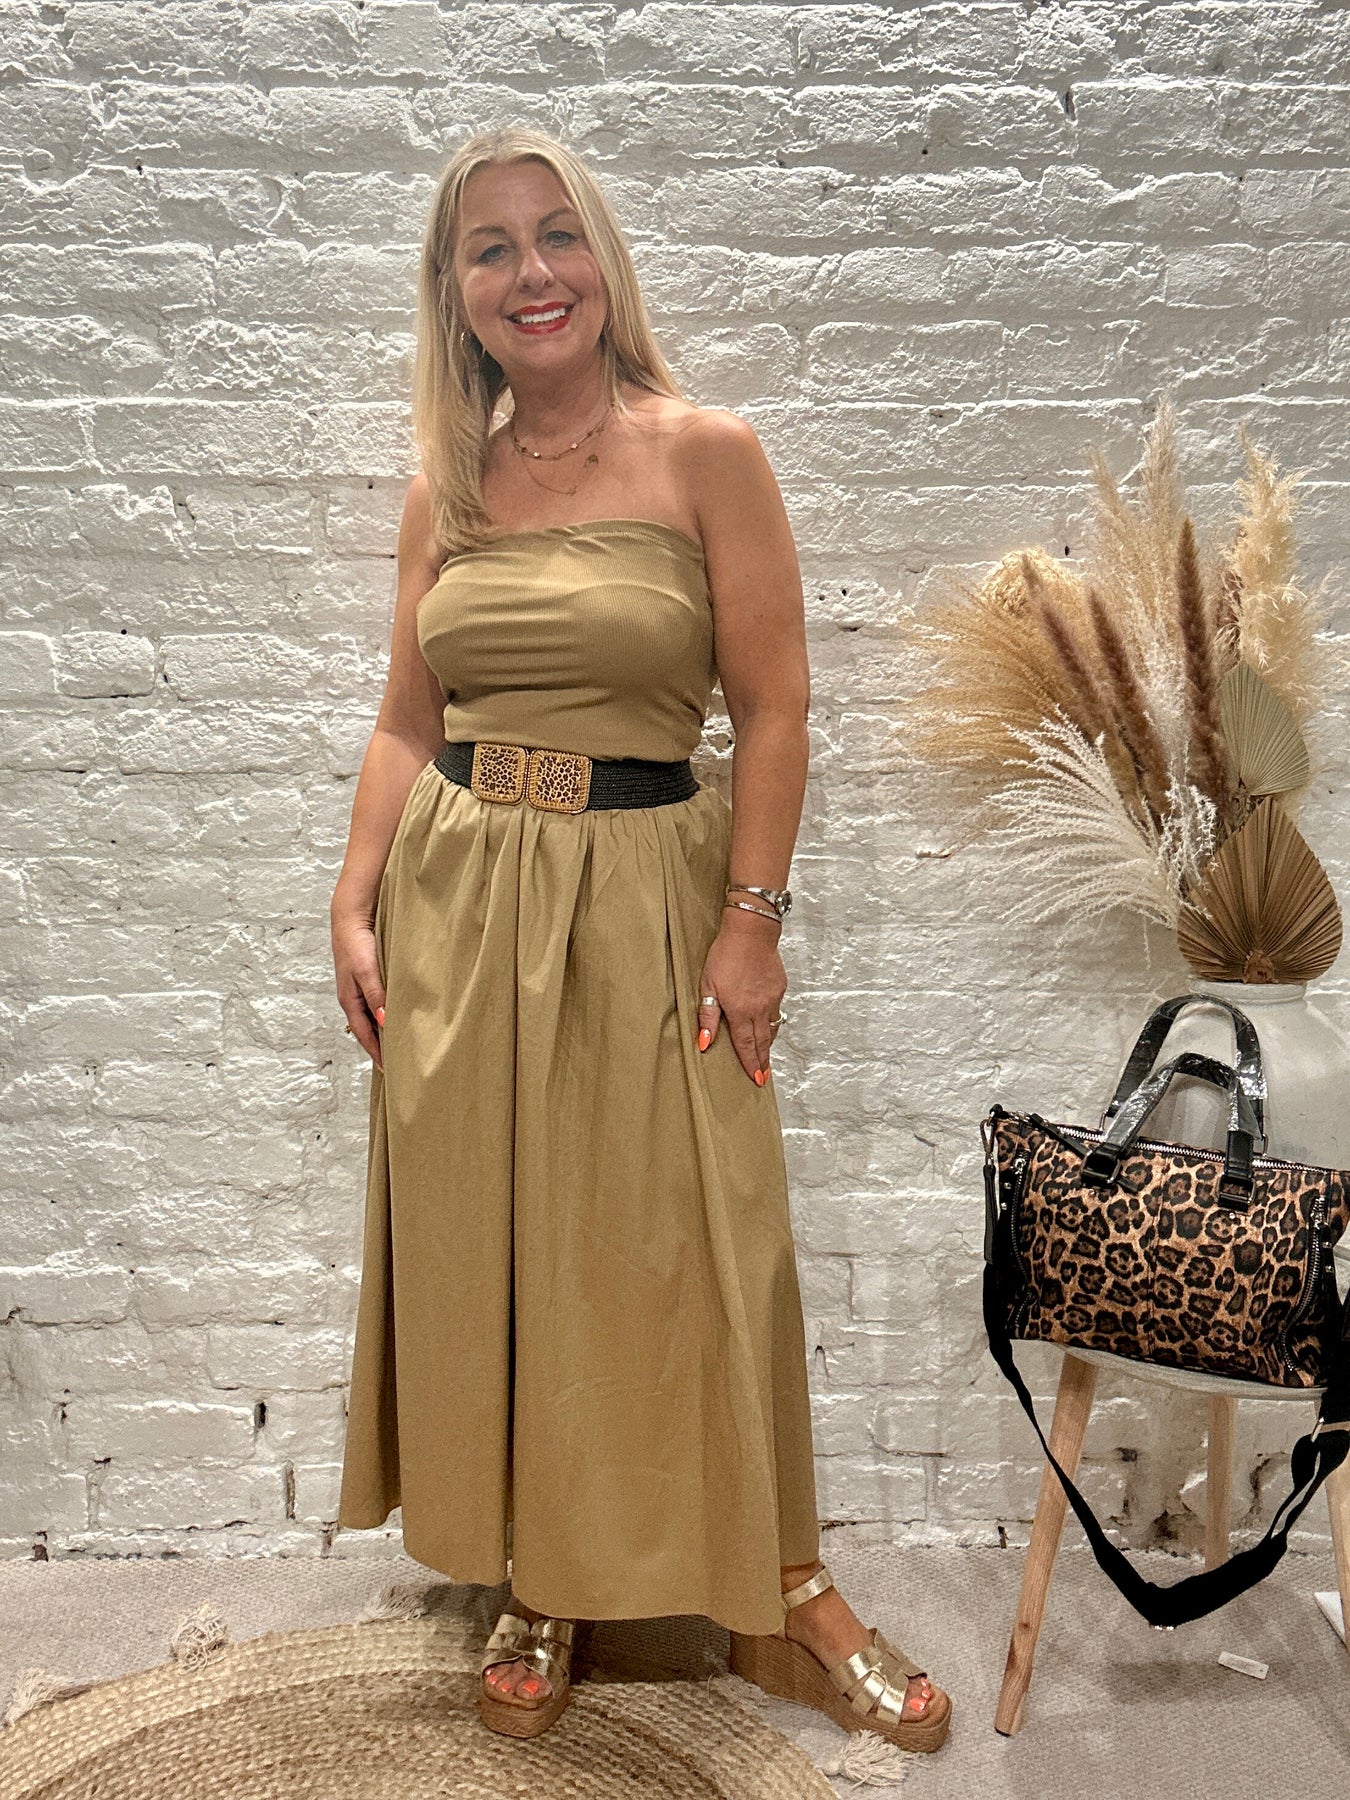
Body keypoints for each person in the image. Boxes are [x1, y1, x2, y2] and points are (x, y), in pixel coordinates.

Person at [329, 124, 950, 1754]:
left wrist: (753, 923)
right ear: (454, 292)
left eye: (556, 235)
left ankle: (787, 1585)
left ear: (601, 260)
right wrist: (353, 891)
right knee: (506, 1240)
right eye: (489, 248)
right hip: (465, 898)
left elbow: (775, 707)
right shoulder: (446, 487)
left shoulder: (703, 454)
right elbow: (407, 718)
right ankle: (548, 1572)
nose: (530, 272)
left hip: (651, 890)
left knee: (703, 1236)